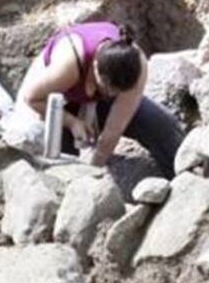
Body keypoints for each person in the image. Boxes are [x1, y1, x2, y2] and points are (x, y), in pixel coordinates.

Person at [16, 21, 184, 179]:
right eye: (106, 88)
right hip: (54, 101)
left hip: (94, 99)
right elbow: (32, 98)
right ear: (95, 67)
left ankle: (183, 180)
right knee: (56, 160)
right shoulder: (68, 65)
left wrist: (93, 171)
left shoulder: (135, 64)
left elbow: (114, 130)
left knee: (160, 125)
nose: (110, 94)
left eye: (116, 92)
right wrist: (72, 122)